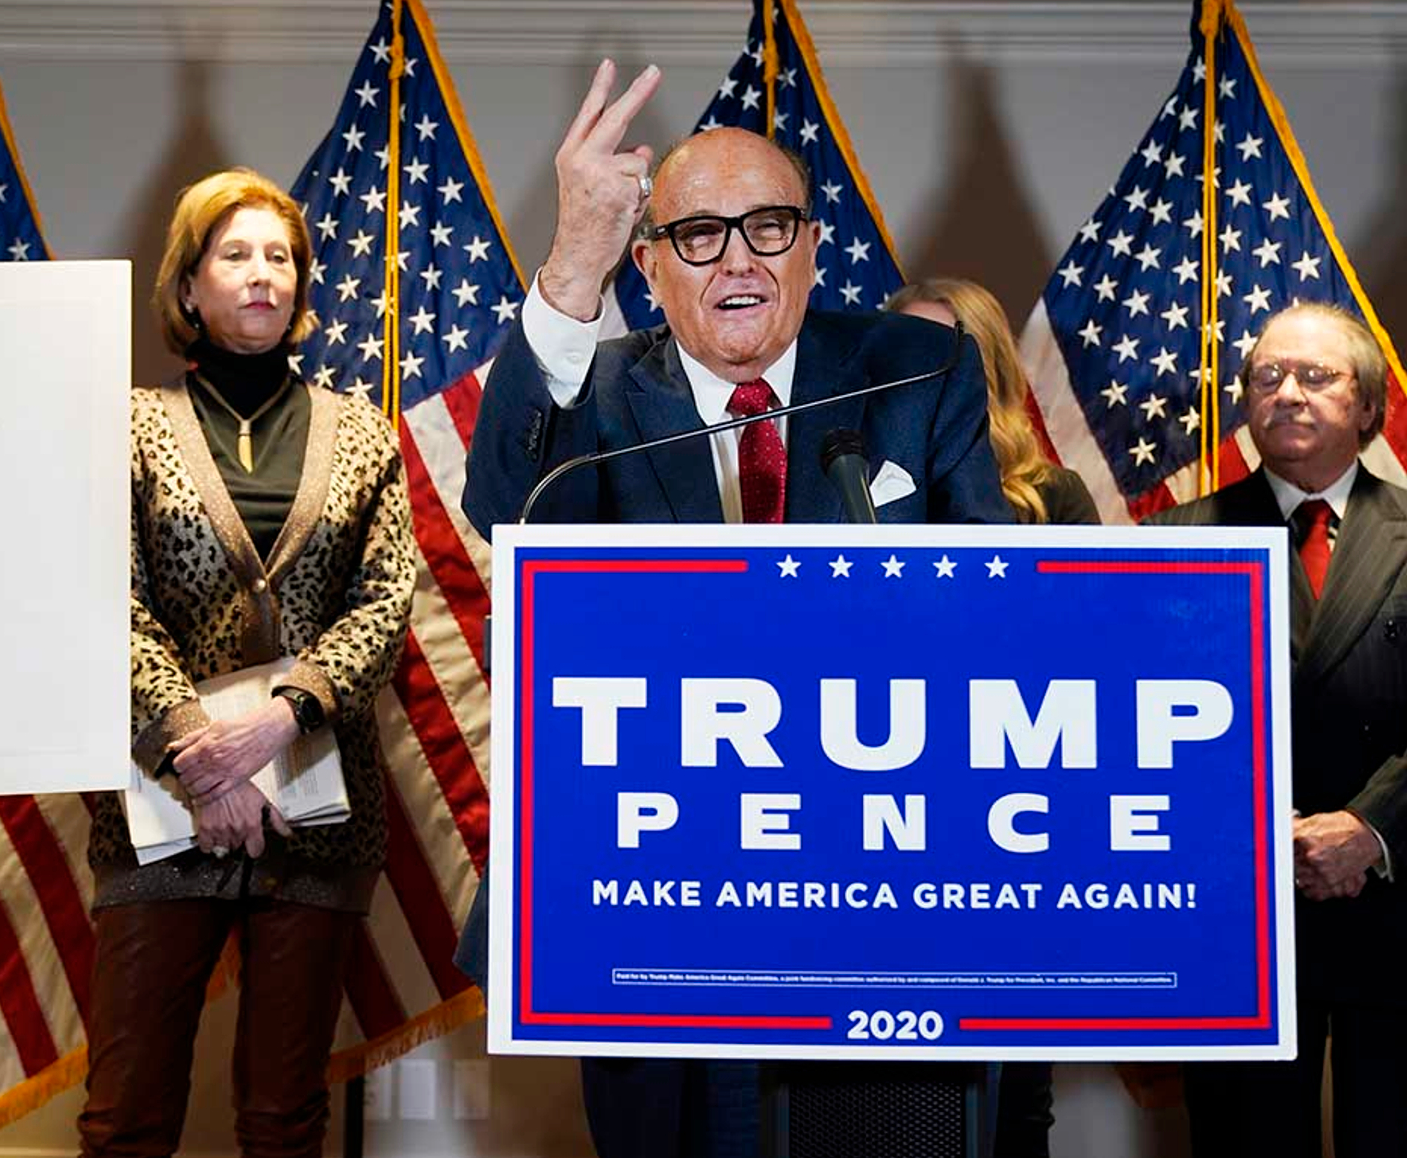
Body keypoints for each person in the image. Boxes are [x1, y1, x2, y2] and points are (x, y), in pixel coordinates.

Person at [459, 61, 1010, 1158]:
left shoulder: (915, 367)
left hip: (869, 881)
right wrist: (574, 262)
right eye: (699, 235)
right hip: (648, 885)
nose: (740, 258)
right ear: (650, 266)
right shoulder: (595, 393)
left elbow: (985, 599)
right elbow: (504, 508)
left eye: (768, 227)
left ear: (811, 246)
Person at [78, 167, 415, 1158]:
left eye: (280, 256)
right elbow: (102, 598)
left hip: (320, 809)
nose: (262, 274)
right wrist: (202, 755)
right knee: (126, 1115)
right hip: (161, 804)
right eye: (234, 255)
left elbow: (386, 599)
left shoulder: (363, 432)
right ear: (188, 285)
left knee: (283, 1118)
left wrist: (277, 721)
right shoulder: (124, 425)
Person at [1150, 302, 1407, 1157]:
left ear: (1368, 406)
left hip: (1392, 893)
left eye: (1316, 376)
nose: (1288, 393)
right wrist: (1266, 832)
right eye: (1268, 376)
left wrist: (1370, 828)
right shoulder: (1172, 540)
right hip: (1241, 909)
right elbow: (1145, 730)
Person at [890, 277, 1101, 1158]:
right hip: (877, 836)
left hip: (1006, 836)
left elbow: (1088, 665)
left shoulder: (1054, 499)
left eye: (951, 353)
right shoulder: (838, 485)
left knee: (1011, 1098)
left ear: (994, 370)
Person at [890, 277, 1099, 527]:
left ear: (990, 369)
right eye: (907, 350)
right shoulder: (856, 482)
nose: (921, 370)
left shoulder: (1056, 495)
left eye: (942, 351)